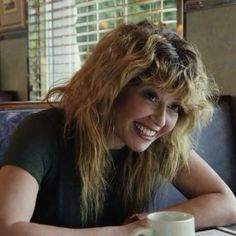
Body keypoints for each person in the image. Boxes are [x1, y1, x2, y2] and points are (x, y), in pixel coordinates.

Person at [0, 20, 235, 236]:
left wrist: (147, 223)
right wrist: (120, 234)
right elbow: (8, 227)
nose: (162, 120)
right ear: (111, 88)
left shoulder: (160, 140)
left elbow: (226, 202)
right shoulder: (41, 132)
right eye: (150, 96)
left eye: (175, 107)